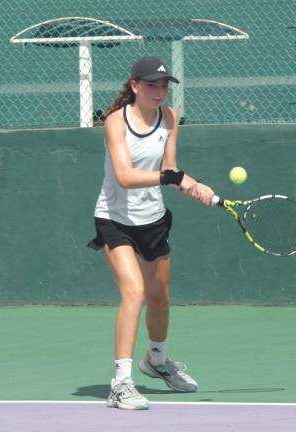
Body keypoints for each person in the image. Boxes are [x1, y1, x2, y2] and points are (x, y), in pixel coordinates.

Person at [87, 56, 216, 410]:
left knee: (159, 296)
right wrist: (172, 178)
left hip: (153, 219)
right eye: (151, 85)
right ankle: (121, 383)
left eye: (163, 85)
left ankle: (156, 361)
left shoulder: (170, 118)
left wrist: (191, 185)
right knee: (135, 292)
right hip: (114, 218)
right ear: (134, 86)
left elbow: (169, 167)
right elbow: (126, 177)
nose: (159, 92)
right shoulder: (116, 122)